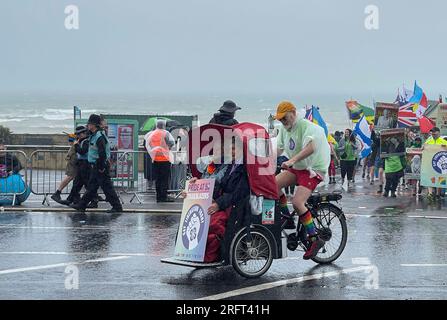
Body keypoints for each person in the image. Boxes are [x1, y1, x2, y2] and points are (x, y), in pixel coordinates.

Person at [274, 101, 330, 260]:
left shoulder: (306, 126)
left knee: (298, 202)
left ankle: (314, 239)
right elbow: (277, 149)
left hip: (313, 168)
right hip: (299, 166)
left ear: (293, 113)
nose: (283, 122)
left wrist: (291, 161)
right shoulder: (285, 130)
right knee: (272, 185)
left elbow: (310, 148)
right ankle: (288, 219)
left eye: (285, 118)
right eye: (280, 120)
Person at [183, 139, 249, 263]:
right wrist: (193, 187)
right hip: (223, 200)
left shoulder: (230, 165)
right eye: (215, 150)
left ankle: (208, 253)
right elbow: (208, 180)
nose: (215, 152)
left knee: (212, 222)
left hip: (233, 204)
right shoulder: (216, 164)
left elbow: (236, 191)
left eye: (219, 150)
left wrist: (218, 203)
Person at [71, 114, 123, 213]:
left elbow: (102, 153)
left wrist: (101, 166)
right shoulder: (94, 135)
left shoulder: (99, 136)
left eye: (89, 124)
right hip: (97, 165)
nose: (88, 126)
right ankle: (82, 205)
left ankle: (117, 207)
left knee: (107, 187)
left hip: (100, 165)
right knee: (92, 187)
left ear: (94, 125)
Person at [58, 126, 99, 208]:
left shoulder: (87, 141)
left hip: (86, 164)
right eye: (77, 134)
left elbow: (83, 151)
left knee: (88, 184)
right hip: (81, 164)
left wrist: (76, 145)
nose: (78, 136)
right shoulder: (82, 140)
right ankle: (70, 199)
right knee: (77, 183)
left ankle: (94, 201)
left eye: (79, 134)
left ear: (84, 133)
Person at [145, 119, 176, 202]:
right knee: (164, 179)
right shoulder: (166, 133)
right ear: (164, 125)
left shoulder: (151, 134)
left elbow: (148, 144)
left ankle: (158, 197)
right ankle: (163, 197)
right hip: (165, 159)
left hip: (155, 159)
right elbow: (172, 143)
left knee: (158, 179)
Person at [51, 133, 78, 203]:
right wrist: (73, 139)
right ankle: (57, 192)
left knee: (76, 179)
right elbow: (71, 142)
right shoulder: (77, 139)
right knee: (70, 177)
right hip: (74, 161)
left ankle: (76, 196)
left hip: (74, 160)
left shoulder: (77, 138)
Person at [424, 127, 447, 200]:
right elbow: (424, 147)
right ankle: (430, 194)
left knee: (439, 178)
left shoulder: (443, 141)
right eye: (432, 132)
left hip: (440, 163)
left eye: (435, 132)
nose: (433, 134)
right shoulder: (428, 141)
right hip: (430, 162)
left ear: (439, 132)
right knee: (429, 177)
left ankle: (437, 193)